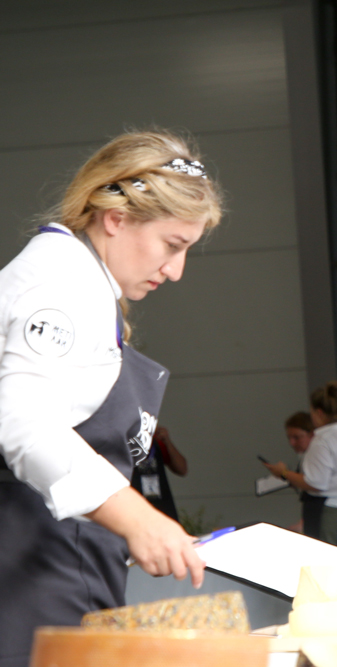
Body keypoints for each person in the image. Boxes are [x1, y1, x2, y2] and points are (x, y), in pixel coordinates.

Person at [0, 131, 221, 666]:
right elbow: (23, 423)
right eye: (172, 245)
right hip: (33, 581)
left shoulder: (82, 284)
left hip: (63, 571)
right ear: (114, 218)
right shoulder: (57, 289)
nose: (176, 271)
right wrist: (137, 518)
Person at [263, 382, 337, 545]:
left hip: (333, 510)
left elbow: (315, 482)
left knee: (330, 562)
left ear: (318, 413)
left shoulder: (324, 440)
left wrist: (284, 473)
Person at [130, 426, 188, 521]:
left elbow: (182, 469)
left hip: (160, 507)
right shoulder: (121, 441)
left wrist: (167, 441)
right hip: (133, 507)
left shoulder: (155, 440)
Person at [279, 411, 320, 537]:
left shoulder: (318, 456)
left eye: (297, 437)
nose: (292, 443)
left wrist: (284, 473)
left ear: (312, 434)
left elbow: (314, 484)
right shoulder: (304, 457)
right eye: (289, 438)